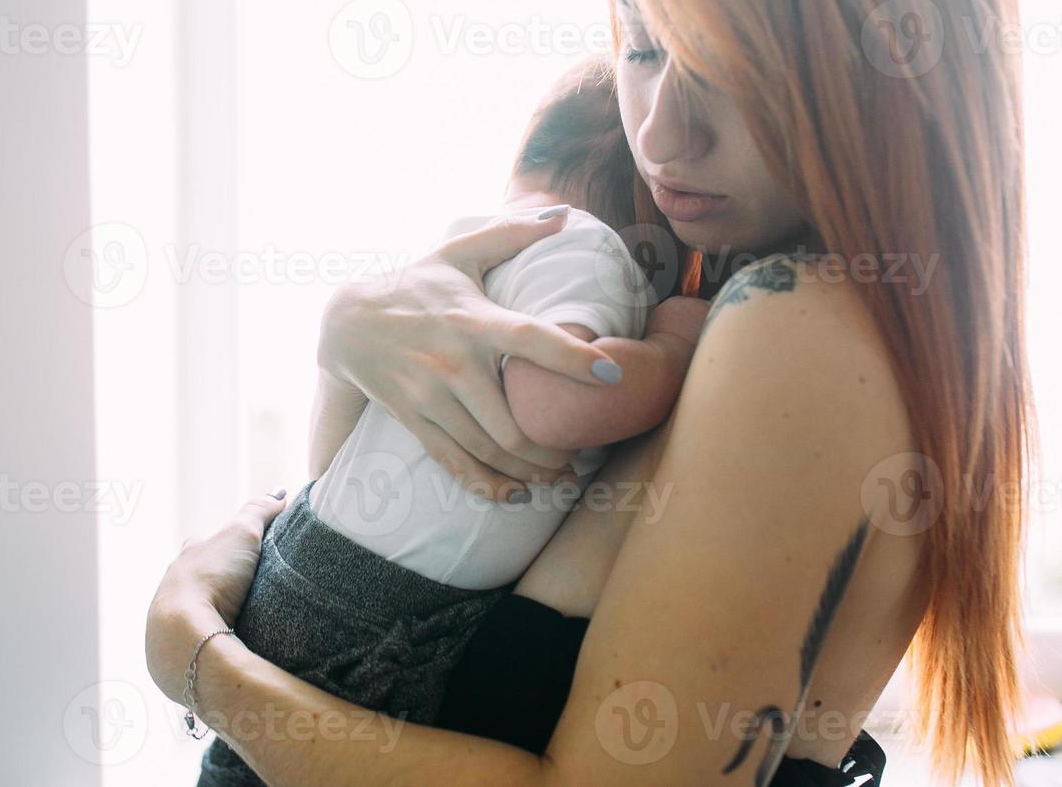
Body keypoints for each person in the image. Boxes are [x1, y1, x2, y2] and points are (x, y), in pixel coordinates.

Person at [148, 0, 1034, 783]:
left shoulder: (797, 325)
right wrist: (349, 330)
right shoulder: (748, 303)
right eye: (644, 48)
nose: (661, 134)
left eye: (731, 62)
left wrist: (198, 662)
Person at [198, 58, 710, 786]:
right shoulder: (583, 245)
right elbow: (554, 398)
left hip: (307, 568)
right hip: (385, 615)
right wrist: (672, 347)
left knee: (244, 763)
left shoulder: (460, 250)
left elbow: (336, 446)